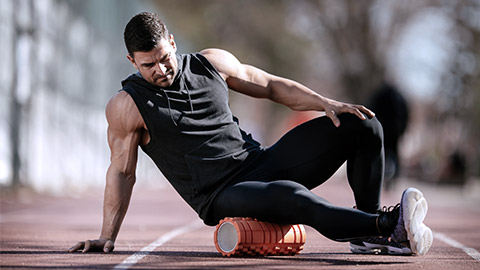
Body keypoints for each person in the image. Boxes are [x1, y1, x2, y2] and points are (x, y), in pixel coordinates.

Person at [68, 12, 432, 256]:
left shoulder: (211, 63)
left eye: (165, 57)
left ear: (173, 43)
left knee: (363, 125)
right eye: (149, 64)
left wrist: (325, 103)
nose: (161, 69)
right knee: (294, 197)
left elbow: (271, 86)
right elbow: (121, 172)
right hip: (221, 193)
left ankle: (366, 233)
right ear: (132, 61)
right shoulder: (127, 105)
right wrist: (107, 236)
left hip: (260, 162)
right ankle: (389, 224)